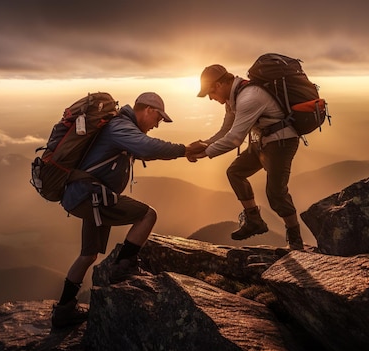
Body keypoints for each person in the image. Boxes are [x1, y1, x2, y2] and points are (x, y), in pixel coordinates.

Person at [51, 92, 188, 328]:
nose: (157, 125)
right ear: (147, 110)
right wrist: (184, 149)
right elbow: (146, 147)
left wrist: (182, 155)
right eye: (158, 118)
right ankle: (123, 268)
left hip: (86, 196)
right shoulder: (120, 126)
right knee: (148, 214)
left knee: (88, 255)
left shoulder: (121, 128)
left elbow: (147, 152)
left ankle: (63, 312)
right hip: (90, 196)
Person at [186, 64, 304, 251]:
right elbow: (226, 131)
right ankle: (254, 220)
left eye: (210, 92)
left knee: (276, 193)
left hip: (282, 142)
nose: (210, 98)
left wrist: (205, 153)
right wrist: (204, 144)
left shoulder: (249, 98)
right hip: (263, 141)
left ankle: (296, 241)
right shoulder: (233, 100)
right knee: (235, 172)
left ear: (219, 84)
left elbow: (234, 139)